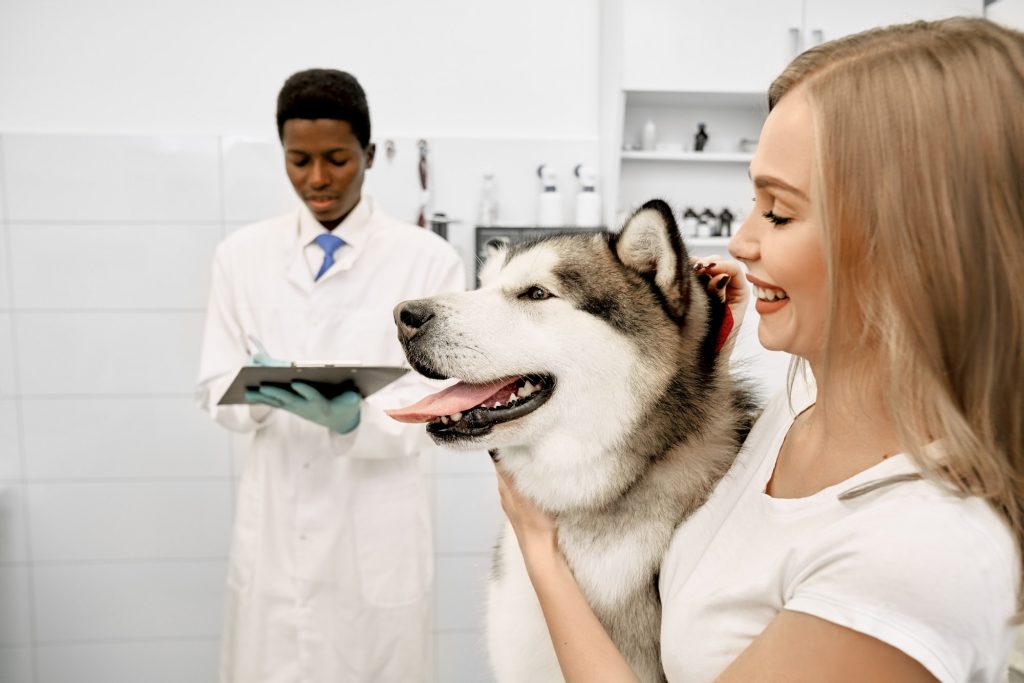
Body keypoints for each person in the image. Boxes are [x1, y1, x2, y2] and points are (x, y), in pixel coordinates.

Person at [495, 17, 1024, 682]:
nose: (742, 242)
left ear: (911, 247)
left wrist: (540, 543)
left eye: (778, 212)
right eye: (753, 201)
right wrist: (692, 349)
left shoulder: (915, 549)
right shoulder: (807, 402)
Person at [196, 69, 465, 682]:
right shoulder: (241, 257)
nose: (317, 179)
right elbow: (215, 385)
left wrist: (356, 418)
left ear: (369, 155)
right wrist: (260, 393)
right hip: (276, 527)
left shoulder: (427, 259)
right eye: (299, 161)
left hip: (377, 523)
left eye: (337, 159)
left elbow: (441, 400)